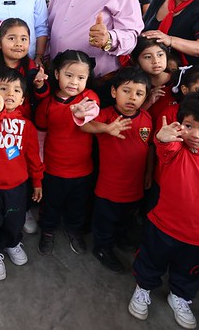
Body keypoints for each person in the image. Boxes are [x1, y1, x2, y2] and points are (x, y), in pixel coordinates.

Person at [128, 91, 199, 329]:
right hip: (161, 225)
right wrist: (162, 138)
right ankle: (143, 288)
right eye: (188, 126)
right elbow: (164, 148)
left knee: (189, 271)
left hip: (198, 235)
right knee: (150, 261)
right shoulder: (175, 150)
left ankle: (181, 297)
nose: (194, 134)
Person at [78, 67, 152, 272]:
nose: (132, 98)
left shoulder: (146, 118)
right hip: (108, 188)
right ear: (113, 92)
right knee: (105, 222)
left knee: (126, 219)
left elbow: (150, 148)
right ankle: (102, 248)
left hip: (135, 186)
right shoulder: (106, 115)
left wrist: (148, 173)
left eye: (139, 93)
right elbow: (85, 126)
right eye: (126, 91)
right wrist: (106, 129)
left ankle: (121, 239)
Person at [0, 68, 44, 281]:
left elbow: (33, 156)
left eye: (16, 90)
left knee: (14, 219)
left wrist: (37, 181)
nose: (9, 93)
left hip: (17, 186)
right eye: (3, 89)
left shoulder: (28, 126)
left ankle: (12, 242)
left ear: (23, 98)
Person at [35, 50, 98, 256]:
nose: (74, 82)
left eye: (81, 78)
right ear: (56, 75)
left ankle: (74, 230)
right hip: (53, 169)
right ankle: (48, 231)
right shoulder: (46, 105)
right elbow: (41, 136)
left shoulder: (88, 98)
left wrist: (82, 113)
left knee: (77, 205)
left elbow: (93, 110)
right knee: (50, 204)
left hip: (82, 170)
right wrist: (40, 164)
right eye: (69, 75)